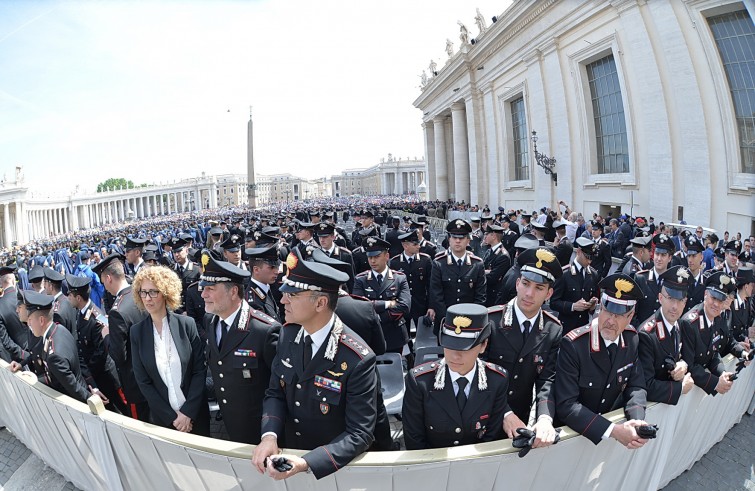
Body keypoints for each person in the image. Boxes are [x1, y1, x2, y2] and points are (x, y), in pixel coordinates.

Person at [252, 248, 378, 480]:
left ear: (320, 303)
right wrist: (269, 435)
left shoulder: (356, 358)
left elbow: (360, 433)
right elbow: (275, 393)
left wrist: (306, 462)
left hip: (333, 468)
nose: (282, 300)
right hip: (289, 459)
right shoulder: (288, 335)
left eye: (292, 295)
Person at [554, 273, 650, 448]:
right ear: (600, 307)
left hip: (608, 438)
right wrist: (613, 430)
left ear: (630, 317)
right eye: (607, 311)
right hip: (572, 439)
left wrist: (637, 420)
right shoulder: (575, 345)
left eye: (619, 315)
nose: (610, 321)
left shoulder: (631, 339)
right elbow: (566, 405)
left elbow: (636, 385)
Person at [200, 250, 280, 444]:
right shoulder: (211, 320)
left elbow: (278, 389)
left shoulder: (264, 330)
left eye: (210, 288)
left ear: (233, 291)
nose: (203, 294)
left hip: (260, 430)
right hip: (229, 422)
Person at [402, 303, 509, 450]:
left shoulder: (497, 380)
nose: (455, 355)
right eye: (450, 345)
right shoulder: (420, 382)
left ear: (483, 345)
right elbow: (415, 441)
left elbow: (491, 438)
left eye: (465, 348)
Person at [486, 247, 562, 447]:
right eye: (526, 284)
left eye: (539, 288)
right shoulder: (490, 321)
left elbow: (547, 379)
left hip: (520, 419)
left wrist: (545, 417)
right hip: (485, 416)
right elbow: (478, 374)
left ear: (549, 293)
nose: (529, 293)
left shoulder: (552, 329)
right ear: (518, 283)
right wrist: (504, 412)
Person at [130, 266, 210, 436]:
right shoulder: (137, 332)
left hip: (195, 416)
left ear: (166, 293)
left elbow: (199, 371)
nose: (147, 298)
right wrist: (173, 418)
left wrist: (187, 413)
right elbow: (143, 382)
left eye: (153, 292)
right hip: (164, 422)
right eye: (143, 292)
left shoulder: (187, 324)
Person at [10, 291, 104, 404]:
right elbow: (38, 353)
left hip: (71, 404)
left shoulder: (54, 355)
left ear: (41, 320)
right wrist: (22, 364)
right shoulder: (58, 330)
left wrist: (92, 399)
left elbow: (72, 386)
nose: (29, 324)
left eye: (30, 320)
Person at [92, 254, 150, 421]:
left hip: (135, 382)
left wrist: (107, 336)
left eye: (103, 282)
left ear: (109, 278)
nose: (104, 287)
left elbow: (119, 355)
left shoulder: (117, 311)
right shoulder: (139, 293)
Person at [65, 274, 126, 414]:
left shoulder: (96, 318)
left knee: (119, 410)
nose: (68, 298)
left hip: (106, 377)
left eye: (70, 295)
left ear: (78, 298)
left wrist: (89, 377)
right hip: (95, 376)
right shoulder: (80, 313)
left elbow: (101, 353)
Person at [637, 266, 695, 405]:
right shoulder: (647, 334)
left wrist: (683, 364)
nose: (675, 306)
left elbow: (681, 355)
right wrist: (680, 388)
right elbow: (645, 386)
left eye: (680, 300)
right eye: (670, 298)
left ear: (685, 302)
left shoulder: (679, 324)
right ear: (660, 298)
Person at [680, 271, 738, 396]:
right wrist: (715, 383)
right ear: (706, 294)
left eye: (721, 300)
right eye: (713, 298)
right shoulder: (690, 323)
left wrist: (722, 373)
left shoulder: (718, 318)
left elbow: (713, 353)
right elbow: (689, 365)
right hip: (687, 391)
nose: (716, 304)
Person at [353, 237, 411, 356]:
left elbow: (404, 306)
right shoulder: (361, 279)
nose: (373, 261)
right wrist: (388, 303)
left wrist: (378, 317)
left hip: (394, 334)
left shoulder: (399, 278)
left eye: (376, 256)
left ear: (387, 256)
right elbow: (359, 307)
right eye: (370, 257)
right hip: (370, 336)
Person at [429, 219, 486, 334]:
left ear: (468, 240)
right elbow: (436, 295)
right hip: (445, 322)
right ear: (449, 239)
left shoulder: (477, 264)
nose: (458, 241)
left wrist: (470, 319)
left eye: (461, 238)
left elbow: (480, 297)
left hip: (470, 323)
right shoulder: (439, 263)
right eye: (454, 237)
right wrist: (449, 319)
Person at [550, 238, 601, 334]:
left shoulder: (593, 274)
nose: (589, 261)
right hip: (566, 327)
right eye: (587, 257)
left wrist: (592, 306)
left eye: (592, 258)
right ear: (578, 252)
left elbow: (595, 299)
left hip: (583, 328)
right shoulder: (564, 274)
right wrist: (573, 306)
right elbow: (553, 302)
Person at [389, 231, 433, 336]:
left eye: (418, 243)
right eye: (415, 244)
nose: (419, 246)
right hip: (403, 306)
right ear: (405, 246)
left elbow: (431, 285)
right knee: (403, 336)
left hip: (421, 305)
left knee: (423, 336)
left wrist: (431, 306)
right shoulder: (395, 262)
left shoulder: (425, 260)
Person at [245, 245, 283, 322]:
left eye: (277, 266)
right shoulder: (254, 302)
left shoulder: (265, 289)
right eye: (272, 267)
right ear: (256, 270)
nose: (277, 271)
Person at [0, 265, 29, 363]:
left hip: (19, 358)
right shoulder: (27, 296)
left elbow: (6, 341)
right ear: (13, 281)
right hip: (37, 349)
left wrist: (23, 354)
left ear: (1, 283)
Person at [315, 222, 355, 293]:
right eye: (320, 237)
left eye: (325, 237)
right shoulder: (315, 254)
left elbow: (351, 281)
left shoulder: (344, 255)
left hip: (340, 293)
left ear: (333, 237)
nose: (322, 240)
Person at [482, 224, 512, 307]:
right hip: (486, 292)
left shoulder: (503, 256)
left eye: (487, 234)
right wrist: (485, 271)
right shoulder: (489, 251)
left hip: (493, 295)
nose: (485, 237)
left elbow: (493, 278)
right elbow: (482, 267)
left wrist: (480, 273)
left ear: (493, 236)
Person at [170, 237, 201, 314]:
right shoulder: (170, 271)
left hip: (194, 311)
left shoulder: (196, 270)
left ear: (186, 251)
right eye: (174, 252)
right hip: (176, 311)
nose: (177, 255)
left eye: (179, 251)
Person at [43, 268, 77, 333]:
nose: (44, 286)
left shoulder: (57, 313)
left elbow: (58, 335)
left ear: (51, 286)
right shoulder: (69, 300)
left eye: (45, 283)